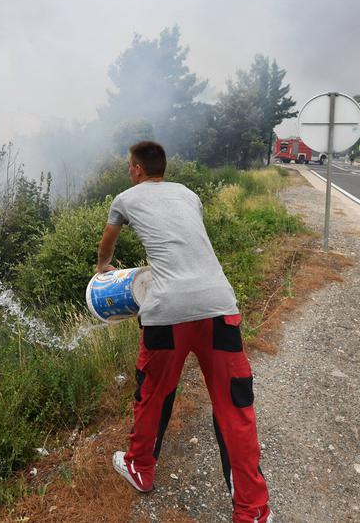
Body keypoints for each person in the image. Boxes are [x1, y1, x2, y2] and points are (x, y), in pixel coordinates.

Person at [96, 141, 273, 523]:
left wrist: (103, 268)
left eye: (130, 166)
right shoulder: (190, 195)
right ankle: (254, 512)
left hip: (166, 313)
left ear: (138, 169)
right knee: (235, 407)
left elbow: (108, 242)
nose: (129, 171)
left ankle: (140, 468)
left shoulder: (124, 199)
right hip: (219, 306)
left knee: (152, 395)